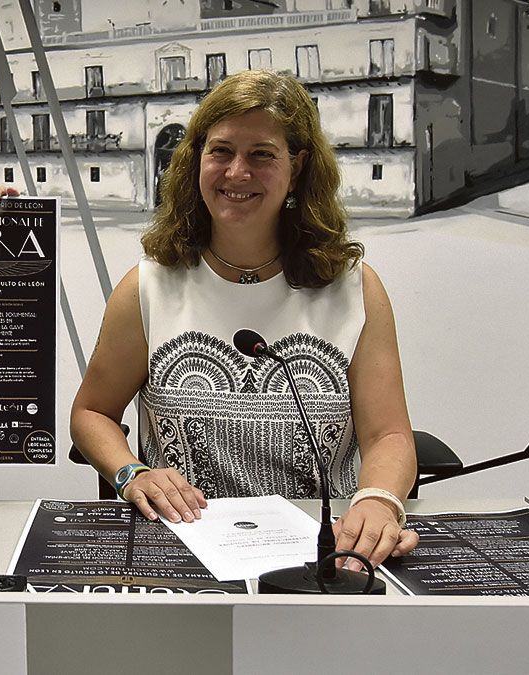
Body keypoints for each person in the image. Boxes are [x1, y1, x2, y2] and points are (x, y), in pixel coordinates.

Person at [70, 70, 419, 571]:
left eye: (262, 154)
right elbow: (92, 413)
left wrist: (379, 500)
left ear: (297, 168)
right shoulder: (148, 285)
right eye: (221, 151)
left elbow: (388, 435)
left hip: (327, 555)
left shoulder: (355, 288)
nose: (237, 173)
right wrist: (130, 473)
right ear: (195, 162)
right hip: (183, 552)